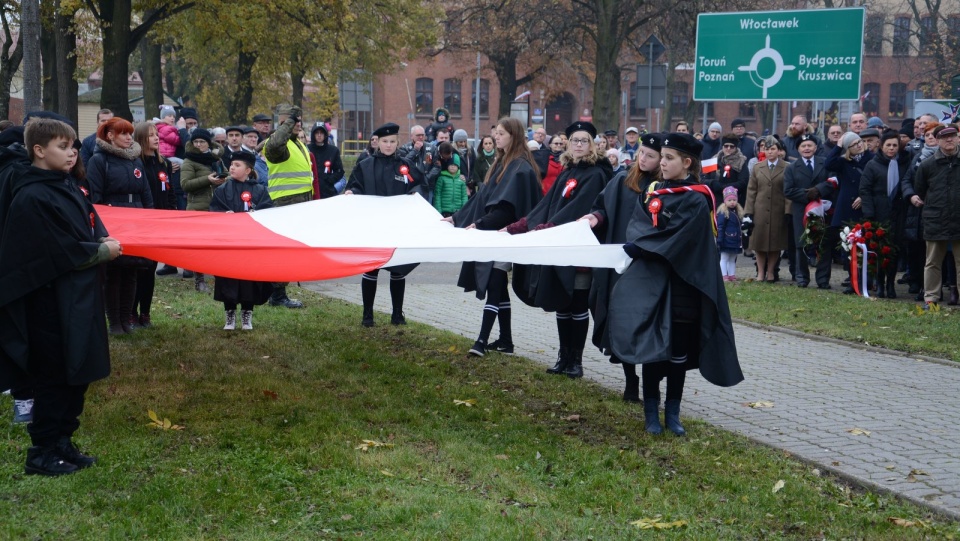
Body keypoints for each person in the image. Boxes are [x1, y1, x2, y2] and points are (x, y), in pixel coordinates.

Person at [1, 117, 122, 475]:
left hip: (79, 297)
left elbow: (88, 221)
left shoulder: (66, 185)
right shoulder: (30, 195)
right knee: (54, 374)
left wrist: (100, 237)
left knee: (78, 369)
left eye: (72, 147)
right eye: (62, 147)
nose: (72, 154)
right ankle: (42, 451)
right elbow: (52, 251)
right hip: (49, 303)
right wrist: (100, 251)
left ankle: (64, 442)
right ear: (39, 151)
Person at [610, 132, 743, 436]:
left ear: (687, 163)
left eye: (669, 158)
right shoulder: (654, 191)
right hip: (653, 283)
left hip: (683, 282)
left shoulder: (697, 198)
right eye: (663, 157)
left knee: (678, 351)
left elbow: (679, 238)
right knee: (653, 346)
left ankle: (673, 411)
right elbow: (639, 223)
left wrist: (642, 247)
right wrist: (639, 242)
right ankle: (651, 412)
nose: (663, 163)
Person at [505, 121, 613, 376]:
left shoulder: (596, 174)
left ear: (593, 145)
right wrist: (522, 225)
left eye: (583, 141)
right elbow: (548, 203)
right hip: (559, 246)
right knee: (562, 304)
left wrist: (548, 227)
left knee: (577, 304)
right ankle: (563, 357)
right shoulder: (568, 171)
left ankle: (576, 361)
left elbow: (578, 210)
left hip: (579, 250)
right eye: (573, 140)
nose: (577, 145)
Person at [444, 117, 542, 356]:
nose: (496, 137)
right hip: (493, 232)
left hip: (505, 233)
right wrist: (457, 218)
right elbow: (482, 197)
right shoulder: (502, 163)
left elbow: (508, 208)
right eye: (496, 133)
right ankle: (506, 342)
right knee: (497, 286)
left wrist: (480, 224)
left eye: (501, 134)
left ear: (513, 136)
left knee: (495, 284)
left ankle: (481, 341)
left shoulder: (520, 167)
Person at [583, 132, 662, 403]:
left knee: (648, 323)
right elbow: (602, 206)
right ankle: (631, 379)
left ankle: (653, 381)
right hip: (621, 264)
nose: (643, 159)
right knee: (620, 320)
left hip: (651, 266)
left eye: (650, 156)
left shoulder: (666, 187)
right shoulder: (622, 180)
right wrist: (595, 217)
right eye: (641, 153)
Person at [345, 122, 425, 326]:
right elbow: (355, 186)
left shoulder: (404, 166)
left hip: (397, 226)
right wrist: (351, 193)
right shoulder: (365, 165)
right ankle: (367, 315)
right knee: (371, 269)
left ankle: (397, 314)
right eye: (384, 141)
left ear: (397, 142)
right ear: (377, 143)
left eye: (392, 141)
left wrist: (414, 194)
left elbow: (420, 184)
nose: (388, 145)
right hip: (373, 225)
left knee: (398, 268)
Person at [84, 117, 154, 334]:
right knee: (114, 272)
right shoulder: (99, 160)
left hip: (136, 220)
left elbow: (145, 192)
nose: (128, 137)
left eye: (130, 133)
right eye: (123, 133)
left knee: (131, 271)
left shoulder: (135, 159)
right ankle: (114, 322)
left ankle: (126, 319)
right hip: (112, 223)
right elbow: (95, 197)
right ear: (110, 135)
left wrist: (149, 218)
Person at [209, 151, 274, 330]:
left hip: (250, 244)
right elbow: (213, 211)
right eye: (231, 165)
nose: (232, 168)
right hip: (229, 244)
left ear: (248, 170)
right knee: (228, 278)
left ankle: (247, 315)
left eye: (237, 165)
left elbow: (268, 211)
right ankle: (229, 315)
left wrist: (257, 215)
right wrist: (224, 215)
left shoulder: (259, 190)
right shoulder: (222, 190)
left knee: (249, 280)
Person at [263, 105, 314, 308]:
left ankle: (278, 292)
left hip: (300, 203)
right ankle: (277, 294)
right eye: (291, 121)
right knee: (283, 251)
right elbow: (275, 146)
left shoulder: (297, 144)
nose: (296, 124)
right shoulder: (277, 144)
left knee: (291, 250)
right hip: (285, 203)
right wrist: (288, 122)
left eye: (298, 120)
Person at [132, 121, 177, 327]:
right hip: (141, 222)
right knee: (137, 268)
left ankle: (146, 313)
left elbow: (169, 191)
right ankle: (131, 311)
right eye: (151, 135)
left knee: (150, 269)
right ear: (141, 139)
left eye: (157, 134)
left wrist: (172, 212)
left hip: (160, 222)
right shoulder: (135, 163)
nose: (157, 138)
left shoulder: (164, 163)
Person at [911, 125, 960, 309]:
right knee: (932, 262)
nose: (949, 140)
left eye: (953, 136)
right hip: (935, 219)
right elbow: (920, 190)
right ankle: (931, 298)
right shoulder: (927, 165)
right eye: (945, 137)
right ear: (937, 140)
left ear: (958, 138)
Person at [859, 130, 909, 298]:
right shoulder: (873, 165)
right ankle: (879, 284)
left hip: (898, 211)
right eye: (888, 145)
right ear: (881, 146)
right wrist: (869, 214)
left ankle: (891, 285)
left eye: (895, 145)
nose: (892, 149)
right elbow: (865, 190)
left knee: (894, 250)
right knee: (880, 251)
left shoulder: (904, 163)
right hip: (878, 212)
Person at [783, 134, 834, 289]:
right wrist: (807, 195)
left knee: (823, 244)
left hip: (823, 209)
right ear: (798, 149)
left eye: (810, 145)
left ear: (816, 147)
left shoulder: (825, 164)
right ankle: (802, 277)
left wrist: (817, 191)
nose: (807, 148)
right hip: (801, 210)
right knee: (801, 244)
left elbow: (832, 181)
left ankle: (823, 279)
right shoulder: (791, 168)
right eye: (803, 146)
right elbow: (788, 190)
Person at [180, 127, 226, 293]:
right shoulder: (189, 161)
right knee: (199, 246)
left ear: (209, 143)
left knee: (216, 245)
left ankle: (219, 276)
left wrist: (224, 178)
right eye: (196, 141)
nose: (198, 144)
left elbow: (225, 173)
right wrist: (207, 179)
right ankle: (199, 280)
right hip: (197, 207)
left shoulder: (215, 158)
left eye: (202, 141)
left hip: (216, 206)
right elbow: (185, 185)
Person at [826, 131, 873, 293]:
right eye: (853, 144)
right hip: (847, 208)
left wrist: (863, 197)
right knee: (849, 246)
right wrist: (838, 145)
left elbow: (876, 182)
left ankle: (866, 281)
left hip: (864, 208)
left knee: (865, 245)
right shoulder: (843, 162)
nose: (859, 145)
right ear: (848, 148)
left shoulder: (872, 159)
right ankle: (853, 281)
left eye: (859, 141)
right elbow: (828, 164)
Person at [744, 136, 788, 282]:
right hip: (760, 210)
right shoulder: (758, 167)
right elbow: (751, 191)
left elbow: (788, 191)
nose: (770, 152)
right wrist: (748, 213)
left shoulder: (787, 167)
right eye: (767, 149)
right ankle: (760, 272)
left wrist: (788, 211)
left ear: (779, 150)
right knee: (759, 242)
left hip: (778, 209)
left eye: (773, 149)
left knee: (775, 243)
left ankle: (771, 272)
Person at [704, 133, 749, 207]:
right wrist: (712, 183)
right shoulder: (714, 159)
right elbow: (702, 178)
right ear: (722, 146)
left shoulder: (741, 161)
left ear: (736, 148)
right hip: (714, 200)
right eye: (726, 146)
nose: (728, 148)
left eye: (732, 146)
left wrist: (724, 187)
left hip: (733, 202)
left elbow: (743, 182)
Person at [307, 123, 344, 199]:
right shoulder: (307, 149)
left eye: (321, 133)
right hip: (310, 190)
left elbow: (340, 171)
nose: (319, 135)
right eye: (317, 133)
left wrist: (329, 180)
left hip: (328, 192)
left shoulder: (333, 151)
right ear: (313, 134)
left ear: (325, 134)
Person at [432, 142, 468, 217]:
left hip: (457, 211)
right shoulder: (434, 152)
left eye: (455, 165)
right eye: (444, 158)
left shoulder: (456, 155)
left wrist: (464, 210)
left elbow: (464, 196)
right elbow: (437, 195)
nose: (452, 167)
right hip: (444, 210)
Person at [717, 186, 744, 281]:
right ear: (725, 201)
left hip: (735, 240)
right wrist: (719, 239)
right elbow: (720, 227)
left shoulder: (738, 212)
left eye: (734, 200)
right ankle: (724, 275)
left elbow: (740, 226)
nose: (732, 202)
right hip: (726, 239)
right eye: (729, 200)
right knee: (724, 258)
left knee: (732, 259)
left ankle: (732, 275)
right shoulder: (723, 212)